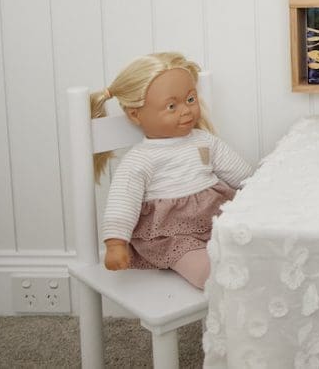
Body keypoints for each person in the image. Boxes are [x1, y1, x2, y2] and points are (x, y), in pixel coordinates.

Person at [93, 52, 254, 289]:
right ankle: (212, 275)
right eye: (171, 106)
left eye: (190, 100)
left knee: (251, 240)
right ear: (135, 114)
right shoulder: (139, 160)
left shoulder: (204, 141)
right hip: (170, 235)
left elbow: (241, 174)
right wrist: (116, 243)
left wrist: (260, 191)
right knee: (202, 266)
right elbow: (122, 203)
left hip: (215, 217)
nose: (186, 110)